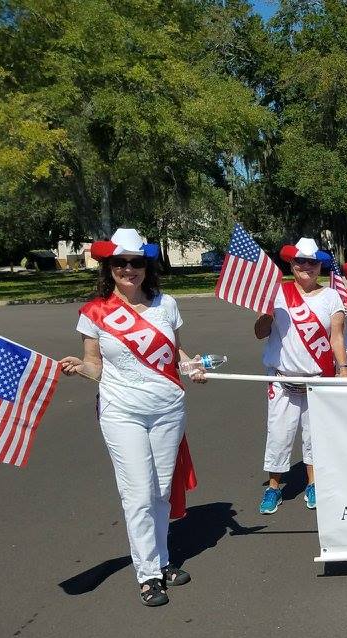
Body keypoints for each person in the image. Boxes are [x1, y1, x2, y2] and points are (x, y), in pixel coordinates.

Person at [60, 228, 205, 607]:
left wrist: (193, 365)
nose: (129, 269)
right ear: (109, 266)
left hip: (168, 409)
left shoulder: (165, 304)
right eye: (121, 262)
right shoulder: (95, 312)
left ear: (146, 266)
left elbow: (173, 352)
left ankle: (161, 559)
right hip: (122, 411)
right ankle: (148, 575)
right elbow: (95, 364)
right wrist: (80, 367)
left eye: (136, 262)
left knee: (159, 491)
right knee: (138, 493)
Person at [254, 238, 347, 515]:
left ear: (320, 265)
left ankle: (313, 483)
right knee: (279, 435)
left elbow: (337, 337)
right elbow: (260, 332)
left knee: (314, 435)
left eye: (312, 262)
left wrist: (343, 369)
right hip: (282, 378)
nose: (306, 267)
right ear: (291, 264)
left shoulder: (331, 296)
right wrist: (267, 315)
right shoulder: (278, 293)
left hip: (317, 379)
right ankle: (273, 488)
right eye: (300, 262)